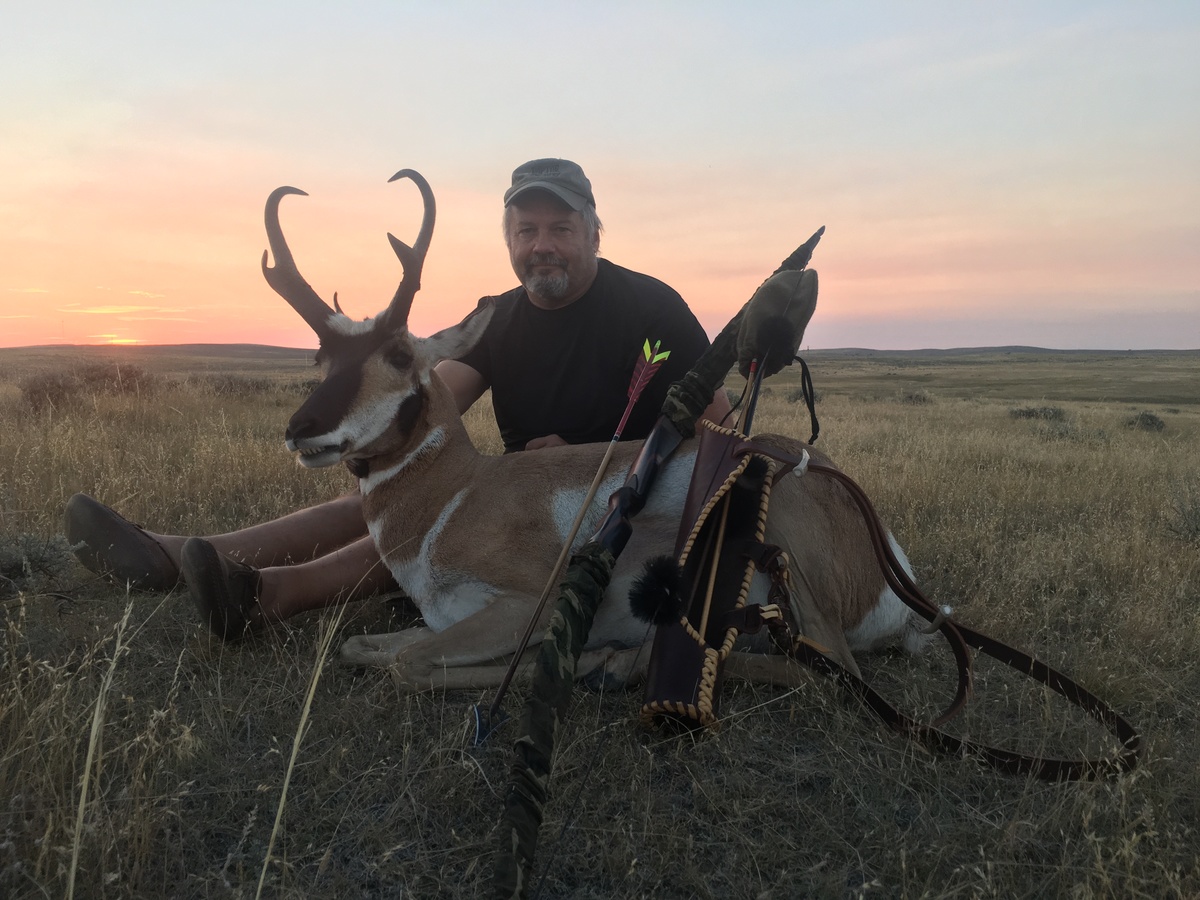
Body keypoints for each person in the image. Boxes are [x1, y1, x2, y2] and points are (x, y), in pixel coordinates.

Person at [65, 158, 731, 637]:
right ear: (509, 240)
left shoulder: (651, 309)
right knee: (394, 491)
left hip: (622, 516)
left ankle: (267, 595)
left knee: (429, 525)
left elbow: (727, 445)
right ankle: (181, 552)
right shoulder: (497, 318)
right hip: (520, 499)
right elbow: (423, 405)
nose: (542, 246)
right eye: (526, 231)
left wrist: (595, 457)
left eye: (560, 228)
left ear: (593, 232)